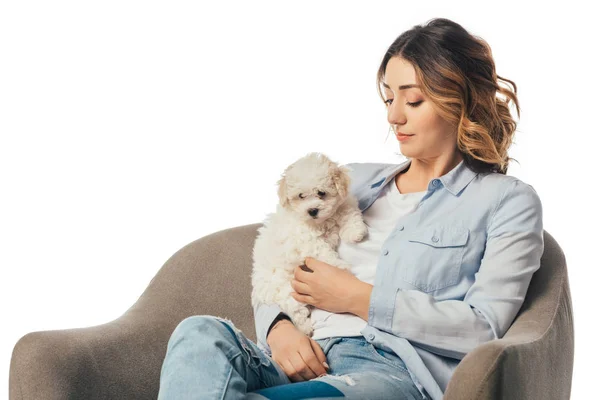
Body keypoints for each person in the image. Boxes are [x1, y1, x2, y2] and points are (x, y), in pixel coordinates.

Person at [157, 17, 544, 400]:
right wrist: (279, 329)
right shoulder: (351, 182)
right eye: (390, 98)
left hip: (386, 369)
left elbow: (485, 328)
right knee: (198, 334)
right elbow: (277, 259)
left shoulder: (507, 202)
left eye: (413, 100)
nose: (394, 117)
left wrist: (358, 297)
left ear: (459, 98)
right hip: (299, 353)